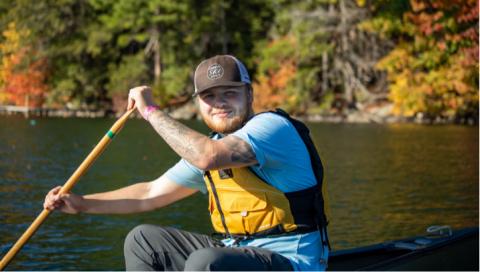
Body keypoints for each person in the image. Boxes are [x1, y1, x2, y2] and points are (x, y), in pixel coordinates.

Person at [44, 55, 329, 271]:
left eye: (230, 92)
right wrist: (80, 203)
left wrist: (151, 111)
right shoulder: (211, 145)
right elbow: (148, 195)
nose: (219, 103)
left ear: (249, 94)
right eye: (209, 96)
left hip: (292, 262)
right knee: (142, 240)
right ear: (199, 103)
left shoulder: (271, 129)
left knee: (205, 262)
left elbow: (208, 156)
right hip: (235, 253)